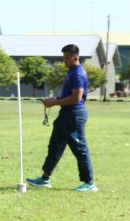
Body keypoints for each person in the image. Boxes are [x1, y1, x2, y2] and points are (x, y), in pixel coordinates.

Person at [27, 43, 98, 192]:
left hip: (74, 115)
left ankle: (89, 183)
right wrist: (55, 99)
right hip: (65, 115)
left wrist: (55, 103)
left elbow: (76, 98)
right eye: (63, 58)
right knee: (54, 147)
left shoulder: (78, 73)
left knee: (80, 148)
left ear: (75, 57)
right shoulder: (71, 72)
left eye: (67, 58)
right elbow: (68, 96)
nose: (64, 61)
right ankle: (44, 179)